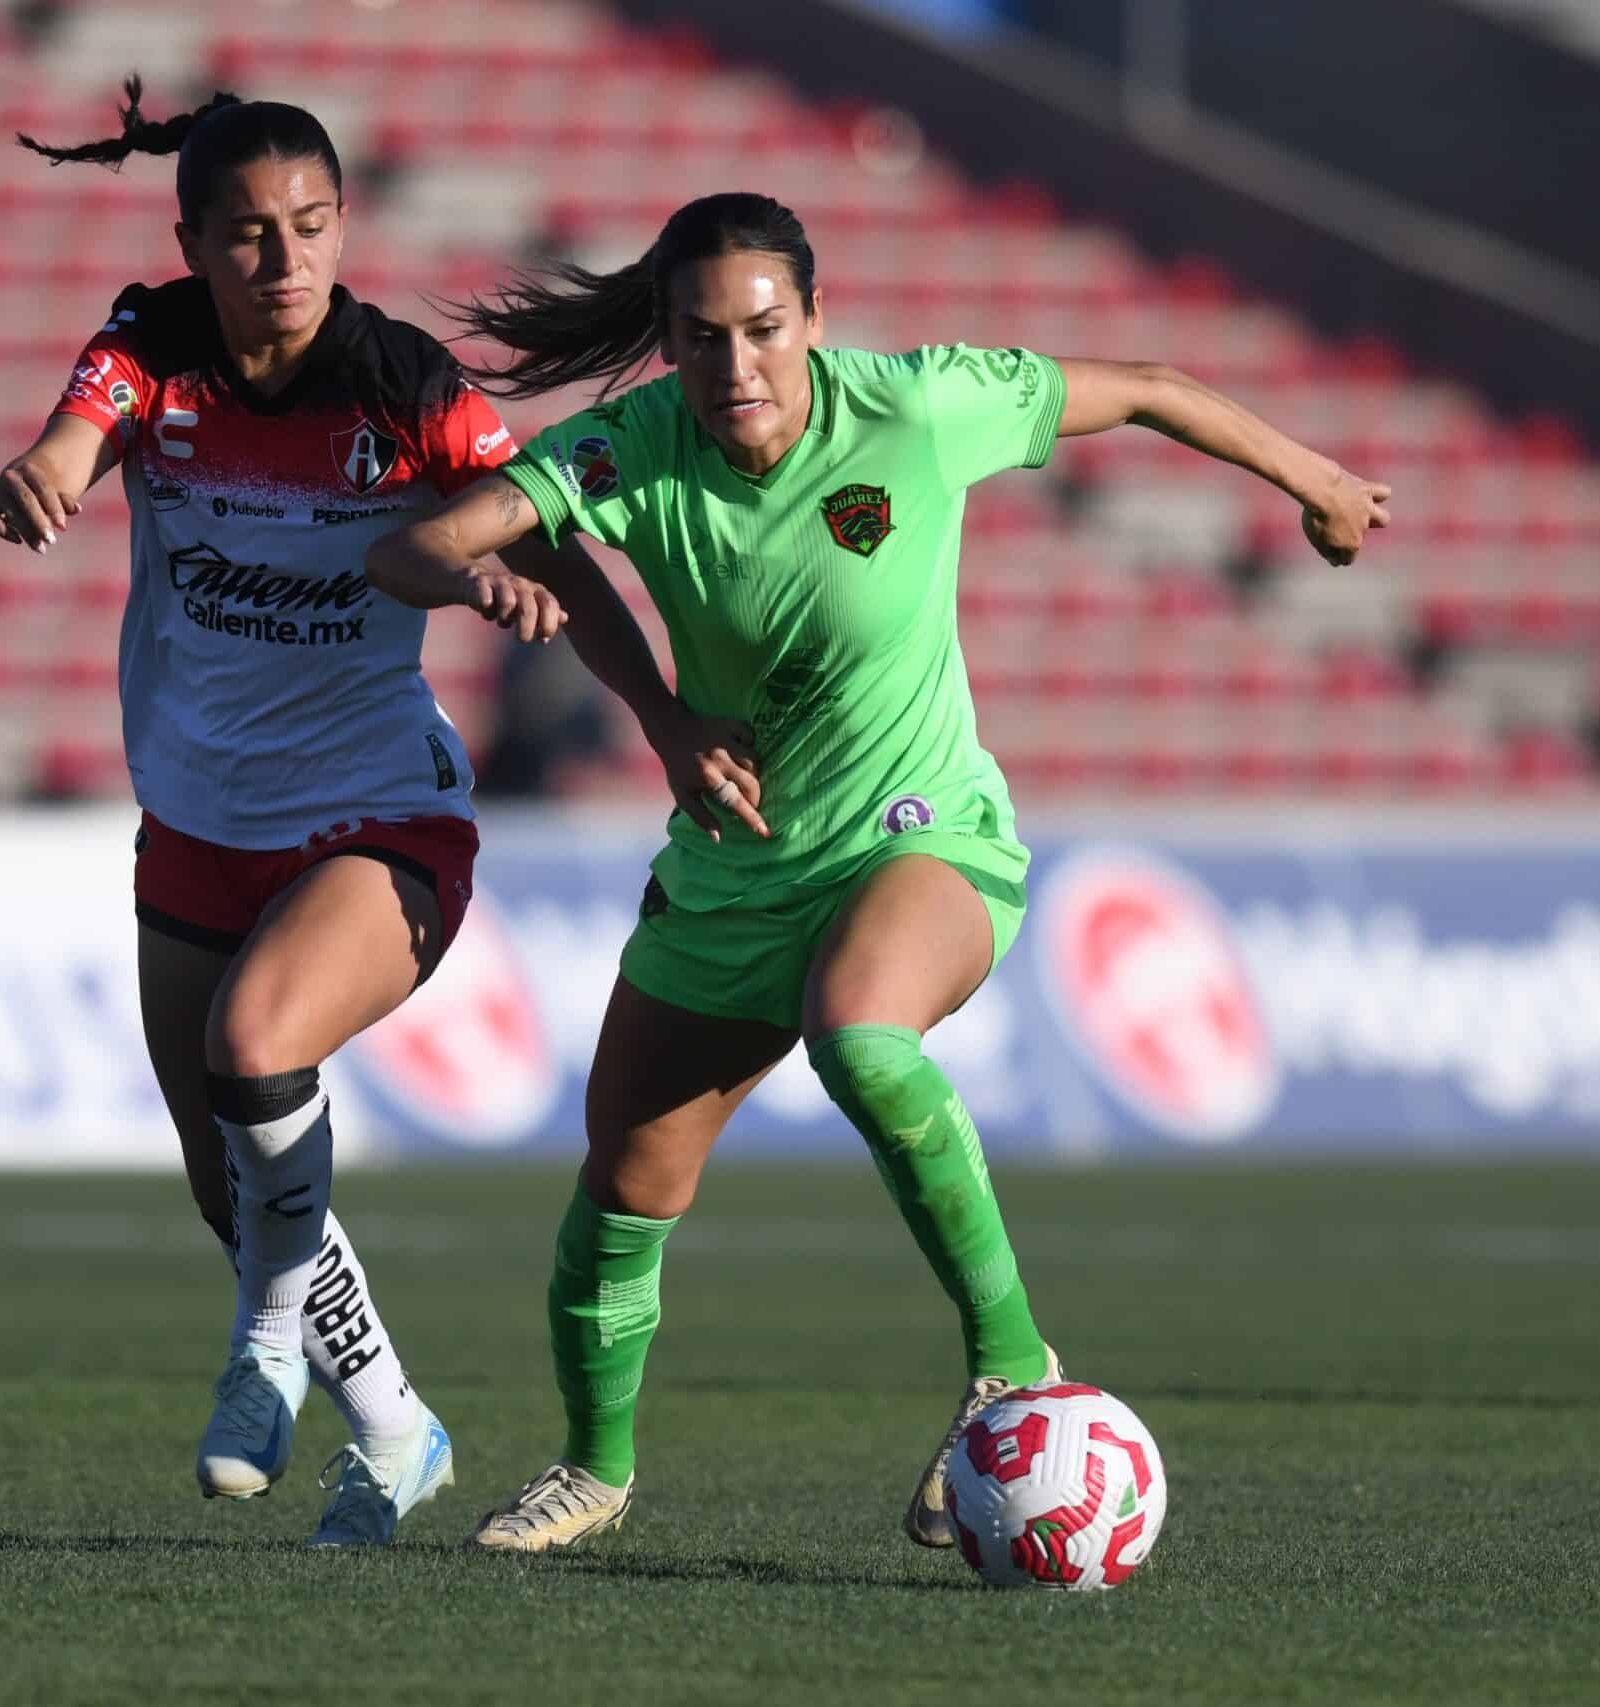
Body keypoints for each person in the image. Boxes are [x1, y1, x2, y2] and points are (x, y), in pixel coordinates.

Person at [366, 192, 1390, 1552]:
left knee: (860, 1028)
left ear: (818, 321)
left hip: (926, 838)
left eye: (764, 330)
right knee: (621, 1188)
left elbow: (1146, 387)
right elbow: (409, 547)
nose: (737, 367)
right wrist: (498, 590)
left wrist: (1314, 481)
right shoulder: (633, 447)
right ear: (666, 346)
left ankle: (1012, 1360)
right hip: (738, 870)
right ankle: (595, 1470)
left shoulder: (915, 407)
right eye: (700, 339)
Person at [0, 82, 711, 1547]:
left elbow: (548, 545)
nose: (284, 259)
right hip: (194, 817)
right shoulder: (152, 345)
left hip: (380, 818)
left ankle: (260, 1354)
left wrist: (665, 719)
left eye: (310, 227)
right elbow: (80, 432)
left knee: (256, 1048)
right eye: (247, 234)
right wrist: (45, 475)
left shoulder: (405, 386)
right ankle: (392, 1424)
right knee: (224, 1177)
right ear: (191, 241)